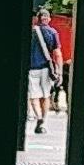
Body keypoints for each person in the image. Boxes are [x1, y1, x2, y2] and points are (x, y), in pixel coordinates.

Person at [28, 11, 61, 139]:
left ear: (37, 19)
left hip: (32, 68)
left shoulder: (31, 32)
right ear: (49, 19)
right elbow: (57, 53)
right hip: (47, 69)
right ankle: (43, 121)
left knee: (34, 96)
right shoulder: (53, 32)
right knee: (46, 95)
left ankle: (39, 117)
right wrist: (59, 71)